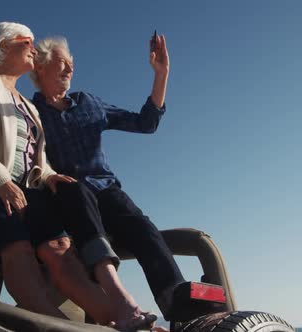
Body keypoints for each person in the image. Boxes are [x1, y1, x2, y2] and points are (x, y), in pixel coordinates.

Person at [0, 22, 158, 331]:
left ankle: (117, 318)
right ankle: (59, 327)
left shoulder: (28, 105)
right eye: (26, 42)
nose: (33, 48)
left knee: (61, 250)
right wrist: (2, 181)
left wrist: (49, 176)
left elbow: (37, 155)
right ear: (4, 47)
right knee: (18, 253)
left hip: (28, 191)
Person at [30, 35, 189, 324]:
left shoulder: (88, 102)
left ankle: (183, 313)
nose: (70, 69)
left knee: (144, 229)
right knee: (74, 189)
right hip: (67, 200)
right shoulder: (31, 113)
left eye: (72, 64)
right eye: (63, 63)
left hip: (106, 191)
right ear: (39, 67)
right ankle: (120, 301)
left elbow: (146, 123)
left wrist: (161, 74)